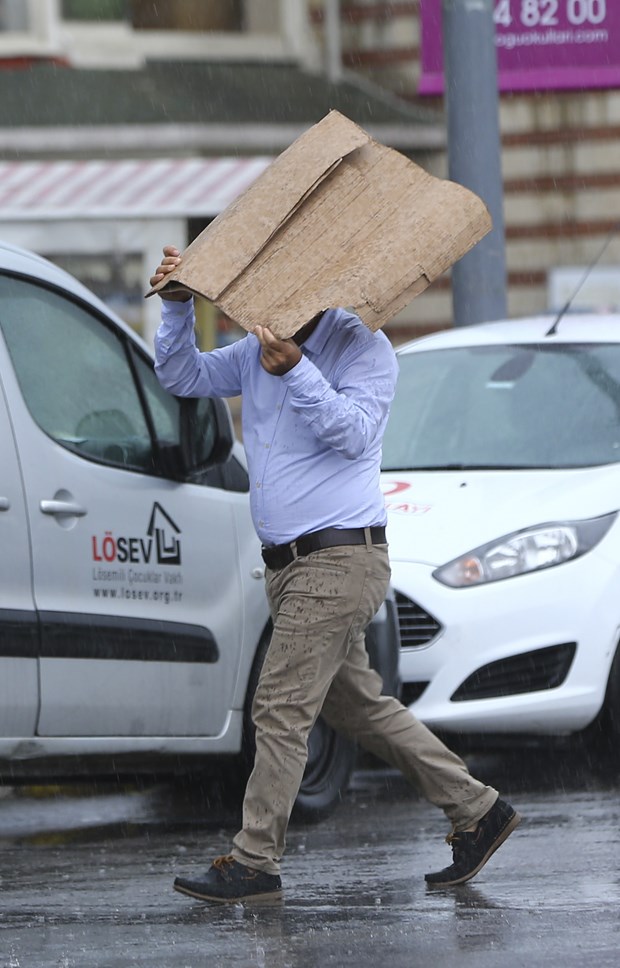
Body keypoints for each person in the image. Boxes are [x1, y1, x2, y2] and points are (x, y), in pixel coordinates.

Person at [151, 244, 521, 904]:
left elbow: (354, 433)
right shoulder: (258, 347)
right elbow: (182, 377)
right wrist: (178, 309)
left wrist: (296, 372)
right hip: (288, 569)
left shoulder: (362, 347)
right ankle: (477, 807)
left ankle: (254, 858)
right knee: (361, 710)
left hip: (340, 559)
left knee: (279, 705)